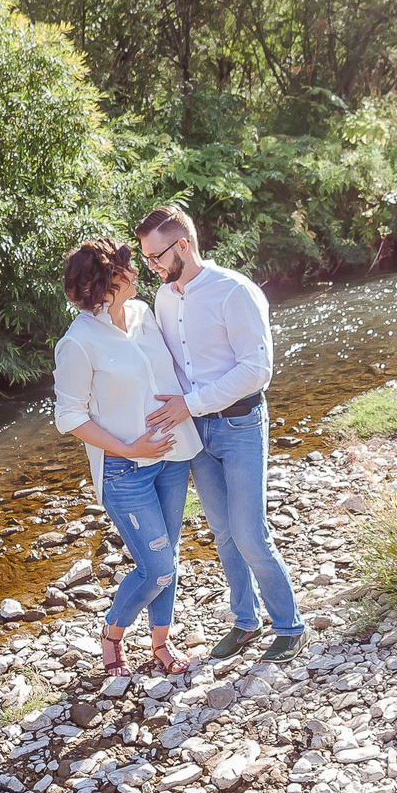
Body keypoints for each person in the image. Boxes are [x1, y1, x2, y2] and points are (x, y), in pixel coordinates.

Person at [135, 204, 307, 664]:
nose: (150, 266)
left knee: (250, 533)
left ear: (183, 245)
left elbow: (257, 370)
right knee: (224, 533)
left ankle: (291, 627)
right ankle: (246, 622)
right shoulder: (163, 299)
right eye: (146, 258)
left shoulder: (236, 291)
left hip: (240, 424)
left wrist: (188, 404)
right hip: (195, 432)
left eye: (156, 256)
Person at [52, 237, 205, 676]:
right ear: (106, 283)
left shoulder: (143, 314)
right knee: (157, 567)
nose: (136, 272)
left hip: (172, 457)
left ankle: (161, 644)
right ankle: (113, 633)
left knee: (169, 558)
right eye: (125, 269)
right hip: (124, 471)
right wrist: (130, 448)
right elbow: (69, 417)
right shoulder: (77, 343)